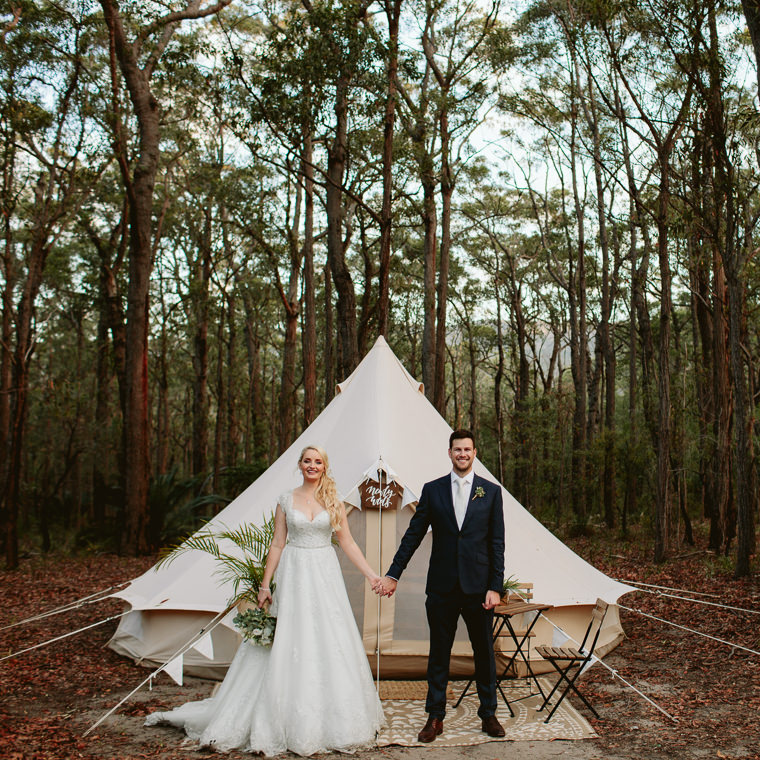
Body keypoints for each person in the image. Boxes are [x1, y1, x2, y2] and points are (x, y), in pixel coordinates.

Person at [146, 445, 384, 756]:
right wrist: (264, 584)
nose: (312, 466)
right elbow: (277, 544)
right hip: (295, 573)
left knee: (328, 635)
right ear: (299, 465)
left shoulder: (334, 501)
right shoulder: (286, 500)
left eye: (318, 462)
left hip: (325, 575)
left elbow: (348, 542)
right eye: (307, 461)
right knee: (290, 636)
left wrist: (371, 575)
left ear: (325, 467)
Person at [375, 429, 506, 742]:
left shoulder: (490, 492)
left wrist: (495, 587)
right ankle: (435, 717)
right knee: (439, 653)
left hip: (478, 588)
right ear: (449, 453)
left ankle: (488, 714)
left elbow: (496, 543)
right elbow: (413, 535)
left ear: (475, 453)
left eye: (467, 450)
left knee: (484, 653)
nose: (462, 454)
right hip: (442, 587)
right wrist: (393, 574)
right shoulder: (432, 491)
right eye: (457, 450)